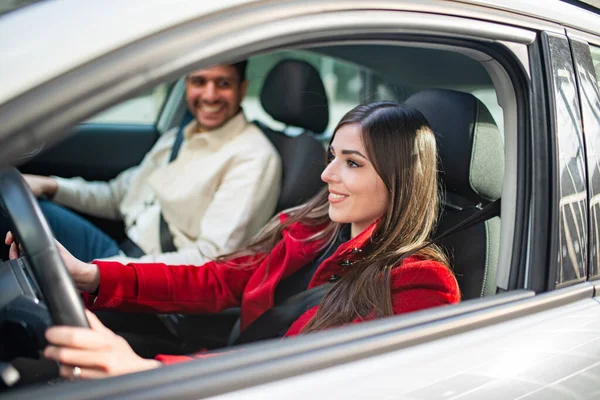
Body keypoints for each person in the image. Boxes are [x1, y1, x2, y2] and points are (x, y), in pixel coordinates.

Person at [6, 101, 460, 380]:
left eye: (352, 163)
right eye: (331, 157)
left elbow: (301, 380)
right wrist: (92, 275)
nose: (327, 174)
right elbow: (218, 280)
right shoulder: (311, 224)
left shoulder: (419, 283)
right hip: (225, 369)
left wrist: (147, 373)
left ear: (400, 178)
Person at [13, 61, 282, 264]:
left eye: (223, 83)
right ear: (186, 85)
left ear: (242, 89)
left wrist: (106, 271)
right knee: (21, 208)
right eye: (199, 81)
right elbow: (118, 197)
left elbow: (210, 259)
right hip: (122, 252)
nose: (209, 95)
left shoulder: (253, 156)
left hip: (148, 284)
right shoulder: (178, 137)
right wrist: (50, 185)